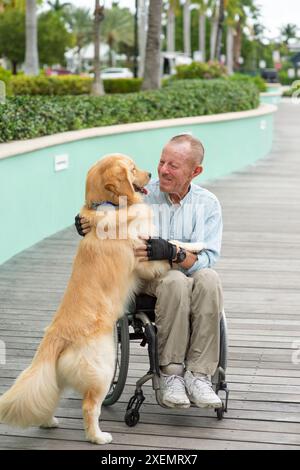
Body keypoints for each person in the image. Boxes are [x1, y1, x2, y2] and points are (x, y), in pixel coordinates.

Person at [75, 134, 224, 409]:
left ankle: (200, 375)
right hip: (144, 278)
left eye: (174, 166)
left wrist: (174, 254)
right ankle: (172, 374)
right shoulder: (140, 193)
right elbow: (103, 210)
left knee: (209, 278)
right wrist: (88, 221)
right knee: (175, 281)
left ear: (196, 171)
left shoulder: (208, 204)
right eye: (162, 161)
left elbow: (208, 259)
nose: (163, 170)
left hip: (188, 274)